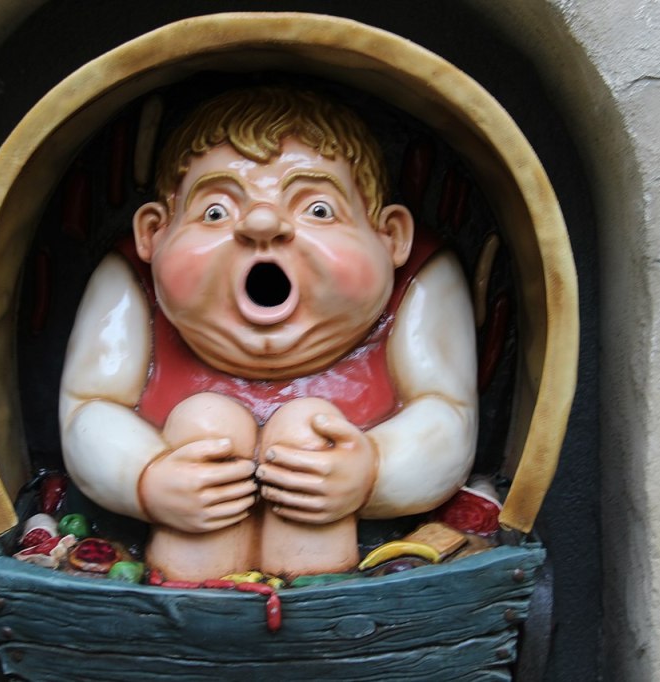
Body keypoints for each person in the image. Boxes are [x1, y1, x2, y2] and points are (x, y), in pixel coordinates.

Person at [59, 87, 477, 580]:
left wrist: (371, 472)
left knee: (311, 430)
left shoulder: (422, 281)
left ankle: (320, 595)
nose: (261, 221)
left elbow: (445, 417)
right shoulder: (130, 277)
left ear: (391, 237)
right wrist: (147, 478)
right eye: (215, 211)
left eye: (318, 209)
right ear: (154, 232)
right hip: (185, 564)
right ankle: (188, 597)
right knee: (206, 424)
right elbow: (91, 408)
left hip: (338, 578)